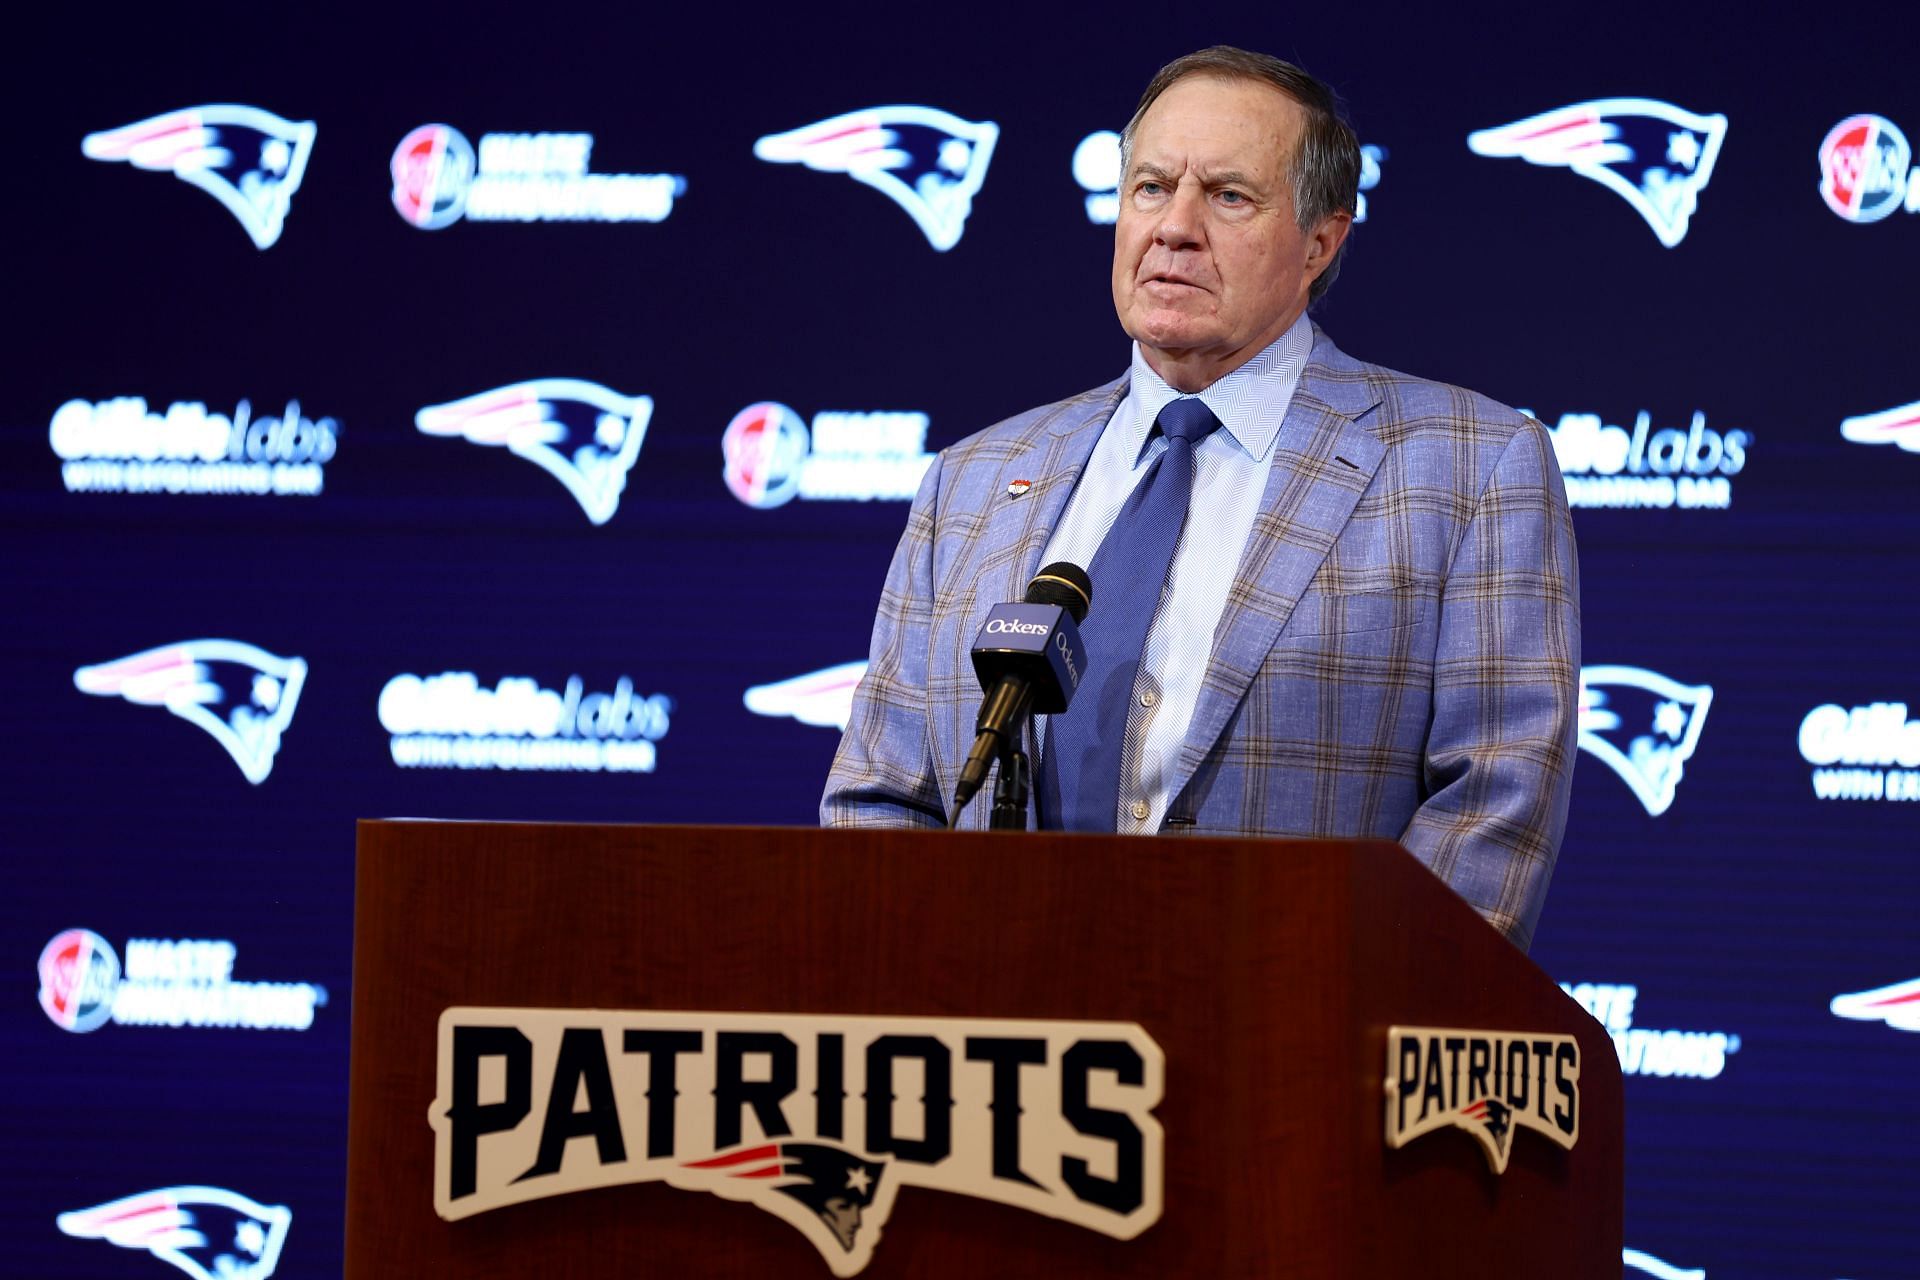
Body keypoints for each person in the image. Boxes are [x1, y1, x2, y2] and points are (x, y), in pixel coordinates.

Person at [821, 46, 1579, 951]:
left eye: (1227, 195)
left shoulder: (1471, 466)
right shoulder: (974, 478)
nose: (1174, 227)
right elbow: (881, 795)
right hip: (1006, 1049)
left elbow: (1495, 804)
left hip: (1295, 1045)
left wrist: (1326, 1022)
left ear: (1322, 242)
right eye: (1150, 187)